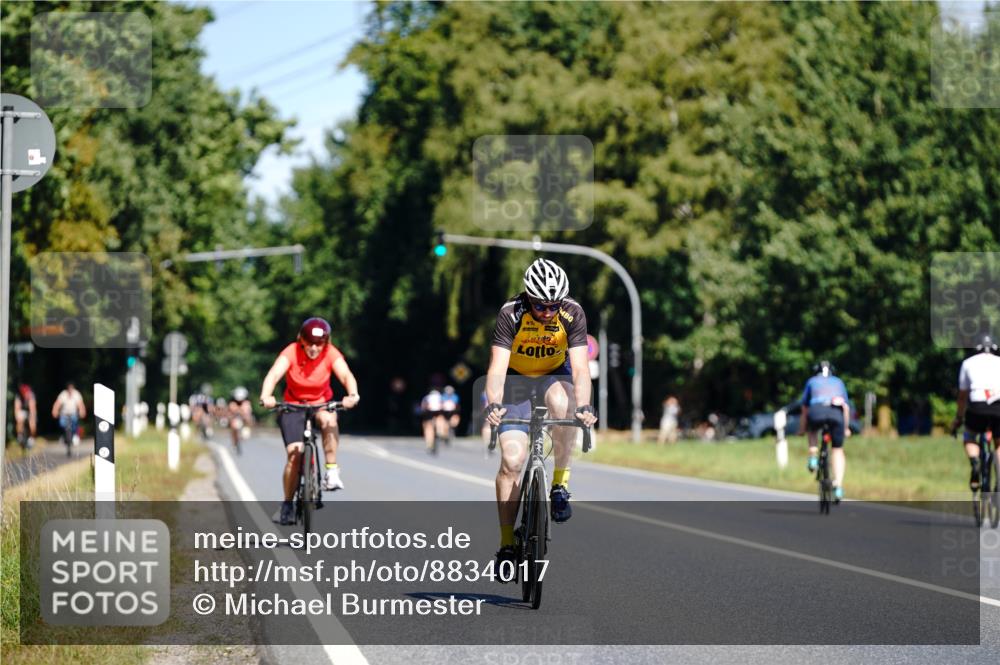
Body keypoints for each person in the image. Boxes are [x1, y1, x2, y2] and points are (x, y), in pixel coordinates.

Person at [483, 258, 598, 579]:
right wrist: (493, 403)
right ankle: (507, 545)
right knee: (511, 461)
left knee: (566, 405)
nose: (547, 312)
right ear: (528, 297)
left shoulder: (573, 313)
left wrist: (585, 406)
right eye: (540, 306)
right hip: (516, 380)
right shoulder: (511, 313)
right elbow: (496, 369)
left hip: (553, 375)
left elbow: (579, 369)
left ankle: (560, 485)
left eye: (553, 306)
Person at [260, 317, 360, 525]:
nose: (314, 348)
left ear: (326, 342)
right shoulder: (291, 352)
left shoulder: (330, 353)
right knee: (294, 454)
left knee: (328, 419)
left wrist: (352, 394)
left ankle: (331, 470)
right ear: (301, 340)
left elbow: (346, 375)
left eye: (319, 343)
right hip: (293, 405)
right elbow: (274, 374)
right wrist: (266, 396)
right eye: (309, 343)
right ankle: (287, 504)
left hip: (320, 403)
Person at [796, 360, 851, 502]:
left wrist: (802, 429)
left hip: (816, 411)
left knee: (812, 430)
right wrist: (845, 428)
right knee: (838, 450)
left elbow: (805, 409)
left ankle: (813, 457)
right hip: (836, 413)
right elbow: (846, 407)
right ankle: (838, 486)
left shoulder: (811, 381)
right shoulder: (839, 382)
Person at [952, 334, 1000, 491]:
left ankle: (974, 462)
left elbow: (962, 396)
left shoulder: (967, 363)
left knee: (970, 435)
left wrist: (958, 418)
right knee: (999, 443)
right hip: (998, 407)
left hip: (977, 408)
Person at [52, 382, 86, 446]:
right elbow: (57, 404)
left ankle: (75, 436)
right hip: (64, 414)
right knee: (62, 424)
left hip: (73, 413)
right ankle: (64, 435)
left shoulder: (76, 394)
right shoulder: (63, 394)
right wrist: (55, 411)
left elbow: (80, 404)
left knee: (74, 423)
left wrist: (82, 411)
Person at [420, 388, 446, 452]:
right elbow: (444, 406)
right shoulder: (440, 397)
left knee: (428, 427)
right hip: (438, 411)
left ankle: (429, 443)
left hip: (429, 412)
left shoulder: (426, 397)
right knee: (440, 418)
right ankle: (440, 431)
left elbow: (423, 407)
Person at [228, 386, 253, 450]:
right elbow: (232, 410)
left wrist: (243, 412)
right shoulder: (232, 402)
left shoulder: (246, 403)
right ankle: (234, 441)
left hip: (243, 419)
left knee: (248, 418)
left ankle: (246, 431)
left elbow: (247, 412)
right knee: (233, 425)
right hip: (235, 418)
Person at [13, 383, 37, 448]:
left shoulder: (31, 395)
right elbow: (16, 408)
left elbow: (32, 409)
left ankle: (32, 438)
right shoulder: (18, 396)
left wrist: (32, 418)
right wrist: (17, 417)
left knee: (32, 424)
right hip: (22, 411)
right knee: (19, 419)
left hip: (30, 412)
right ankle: (19, 436)